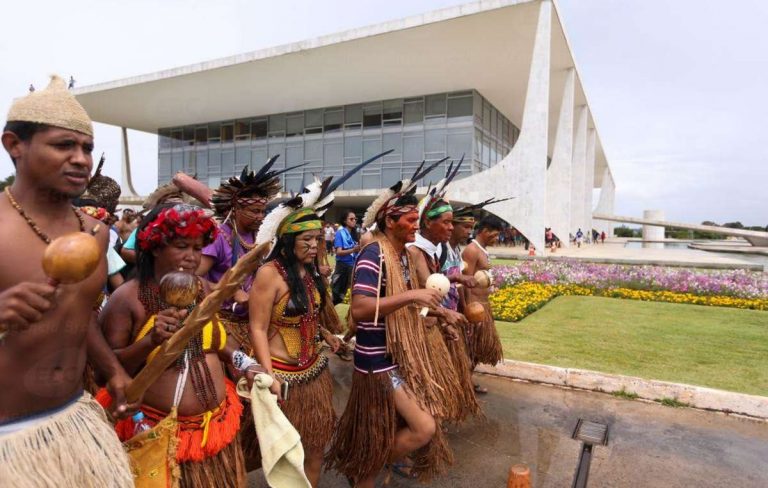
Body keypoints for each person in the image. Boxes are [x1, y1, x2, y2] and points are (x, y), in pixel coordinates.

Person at [0, 75, 133, 486]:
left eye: (86, 148)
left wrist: (112, 369)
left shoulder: (97, 234)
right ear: (14, 145)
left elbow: (79, 314)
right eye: (63, 145)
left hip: (76, 418)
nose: (80, 159)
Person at [100, 204, 261, 487]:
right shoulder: (127, 298)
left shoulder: (203, 289)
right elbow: (106, 372)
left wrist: (247, 364)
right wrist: (151, 341)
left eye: (197, 248)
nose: (191, 257)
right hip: (155, 435)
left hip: (215, 429)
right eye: (181, 246)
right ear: (155, 247)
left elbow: (218, 344)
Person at [329, 162, 452, 487]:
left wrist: (441, 313)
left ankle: (365, 466)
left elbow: (411, 304)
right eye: (410, 220)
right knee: (422, 427)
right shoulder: (374, 255)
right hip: (376, 363)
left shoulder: (405, 256)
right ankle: (364, 465)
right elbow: (359, 309)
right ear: (389, 220)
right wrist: (413, 295)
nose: (416, 225)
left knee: (408, 425)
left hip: (399, 358)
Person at [462, 215, 505, 394]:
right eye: (494, 235)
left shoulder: (482, 250)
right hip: (475, 307)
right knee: (471, 349)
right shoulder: (471, 250)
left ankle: (467, 382)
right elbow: (465, 282)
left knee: (478, 350)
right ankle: (464, 384)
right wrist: (468, 309)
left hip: (483, 306)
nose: (497, 239)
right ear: (484, 231)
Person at [331, 210, 359, 305]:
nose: (354, 221)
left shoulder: (355, 234)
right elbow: (339, 252)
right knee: (337, 291)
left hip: (353, 265)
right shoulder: (340, 233)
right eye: (351, 219)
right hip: (342, 266)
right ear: (344, 221)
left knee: (352, 289)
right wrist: (353, 250)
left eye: (355, 219)